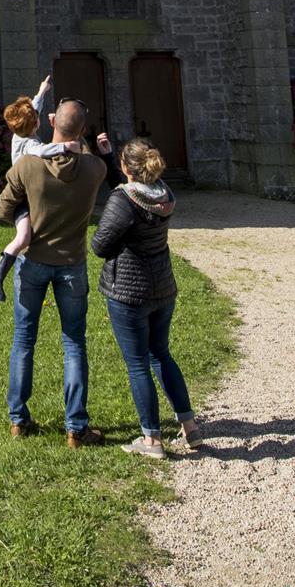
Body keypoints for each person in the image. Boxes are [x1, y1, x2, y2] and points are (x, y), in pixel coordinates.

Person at [0, 96, 109, 446]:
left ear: (50, 124)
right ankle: (76, 427)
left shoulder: (28, 165)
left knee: (23, 340)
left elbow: (3, 209)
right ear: (83, 131)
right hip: (72, 265)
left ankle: (19, 419)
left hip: (32, 263)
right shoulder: (94, 169)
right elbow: (96, 158)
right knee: (74, 343)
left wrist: (24, 219)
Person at [94, 138, 197, 458]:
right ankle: (190, 427)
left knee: (138, 364)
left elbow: (100, 244)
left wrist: (115, 244)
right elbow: (128, 188)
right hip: (162, 288)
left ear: (128, 169)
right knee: (161, 355)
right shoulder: (163, 192)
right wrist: (111, 157)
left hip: (129, 292)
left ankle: (151, 440)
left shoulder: (123, 201)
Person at [0, 75, 63, 301]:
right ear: (36, 124)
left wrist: (42, 90)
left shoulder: (18, 134)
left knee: (35, 236)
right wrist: (66, 145)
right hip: (21, 201)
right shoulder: (30, 144)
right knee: (23, 238)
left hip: (31, 198)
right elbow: (43, 152)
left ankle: (34, 270)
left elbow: (32, 110)